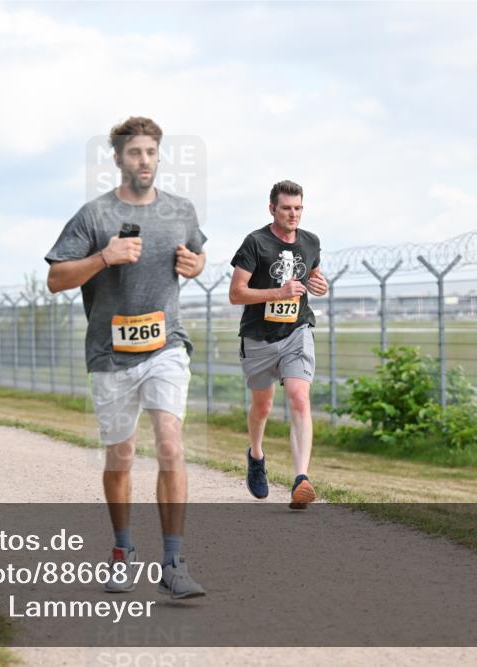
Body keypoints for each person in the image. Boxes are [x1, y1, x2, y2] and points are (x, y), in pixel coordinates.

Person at [45, 116, 208, 599]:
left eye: (151, 153)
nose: (144, 161)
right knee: (120, 457)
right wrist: (103, 258)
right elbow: (56, 279)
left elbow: (197, 257)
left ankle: (174, 562)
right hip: (110, 353)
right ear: (118, 159)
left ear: (160, 157)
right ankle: (122, 550)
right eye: (135, 153)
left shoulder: (181, 210)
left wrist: (195, 266)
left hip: (166, 345)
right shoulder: (93, 216)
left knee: (171, 443)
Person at [228, 180, 329, 509]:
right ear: (273, 209)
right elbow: (236, 293)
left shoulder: (311, 241)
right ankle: (256, 455)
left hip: (296, 331)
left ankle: (301, 479)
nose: (293, 214)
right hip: (258, 336)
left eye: (298, 208)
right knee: (263, 407)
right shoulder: (255, 243)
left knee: (300, 398)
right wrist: (277, 293)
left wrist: (320, 284)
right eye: (287, 208)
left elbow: (314, 276)